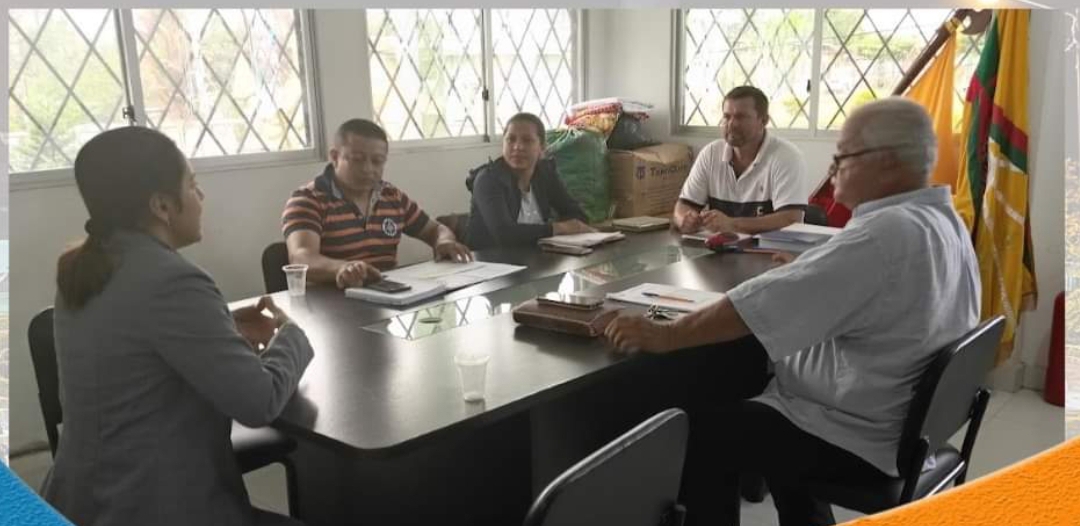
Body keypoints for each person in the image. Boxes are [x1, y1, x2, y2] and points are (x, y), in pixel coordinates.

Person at [606, 97, 980, 526]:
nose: (833, 168)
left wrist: (665, 334)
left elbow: (757, 307)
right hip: (903, 426)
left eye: (844, 156)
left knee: (704, 432)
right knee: (767, 401)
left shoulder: (882, 235)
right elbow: (874, 286)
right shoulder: (943, 220)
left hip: (856, 433)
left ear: (888, 162)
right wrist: (814, 268)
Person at [41, 127, 314, 526]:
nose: (201, 197)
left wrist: (221, 325)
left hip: (81, 502)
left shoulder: (85, 268)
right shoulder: (172, 279)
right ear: (162, 206)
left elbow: (135, 346)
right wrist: (292, 335)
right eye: (193, 185)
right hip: (150, 506)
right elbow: (259, 401)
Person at [282, 119, 473, 289]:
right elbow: (301, 258)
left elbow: (436, 229)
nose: (367, 169)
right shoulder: (308, 200)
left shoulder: (392, 197)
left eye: (377, 161)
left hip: (389, 297)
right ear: (334, 157)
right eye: (357, 160)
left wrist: (444, 242)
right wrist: (341, 268)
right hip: (331, 305)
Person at [674, 85, 809, 235]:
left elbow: (791, 219)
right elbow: (683, 206)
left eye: (741, 117)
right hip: (720, 247)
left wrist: (733, 224)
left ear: (763, 120)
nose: (731, 124)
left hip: (771, 248)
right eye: (727, 117)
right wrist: (685, 219)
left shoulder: (786, 157)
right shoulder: (711, 154)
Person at [465, 112, 595, 250]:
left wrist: (568, 228)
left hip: (538, 257)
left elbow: (576, 215)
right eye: (511, 140)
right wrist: (559, 228)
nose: (518, 147)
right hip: (490, 259)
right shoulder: (488, 179)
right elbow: (504, 234)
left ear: (542, 147)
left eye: (527, 140)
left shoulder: (545, 173)